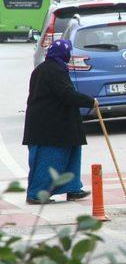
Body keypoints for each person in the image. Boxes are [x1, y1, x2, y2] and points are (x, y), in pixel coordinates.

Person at [22, 40, 97, 205]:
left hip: (60, 125)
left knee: (70, 155)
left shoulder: (47, 68)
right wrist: (90, 101)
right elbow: (66, 94)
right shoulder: (54, 71)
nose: (69, 56)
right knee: (47, 160)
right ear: (63, 53)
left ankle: (72, 188)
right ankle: (36, 194)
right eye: (68, 52)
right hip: (48, 128)